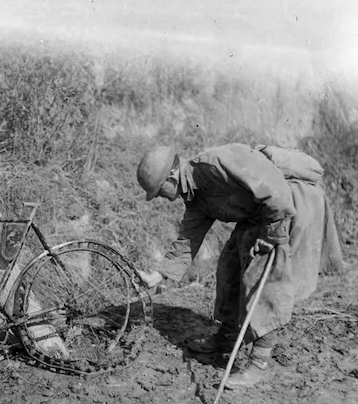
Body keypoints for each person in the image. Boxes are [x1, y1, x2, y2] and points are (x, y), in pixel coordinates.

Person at [136, 143, 344, 387]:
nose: (161, 196)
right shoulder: (196, 197)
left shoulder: (215, 163)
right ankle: (226, 338)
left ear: (171, 176)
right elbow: (188, 240)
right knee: (229, 265)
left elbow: (273, 185)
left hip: (287, 205)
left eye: (159, 191)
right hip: (259, 214)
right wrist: (158, 276)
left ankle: (259, 362)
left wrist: (272, 235)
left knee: (264, 278)